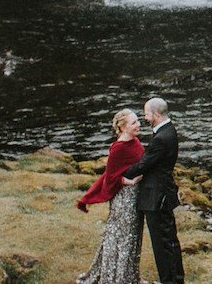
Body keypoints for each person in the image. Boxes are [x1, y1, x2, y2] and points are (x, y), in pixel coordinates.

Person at [75, 109, 145, 284]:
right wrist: (128, 182)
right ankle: (116, 278)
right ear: (122, 128)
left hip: (136, 196)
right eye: (133, 123)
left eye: (137, 121)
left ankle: (130, 276)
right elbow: (111, 177)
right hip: (124, 199)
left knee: (133, 236)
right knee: (121, 236)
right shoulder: (117, 149)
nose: (138, 125)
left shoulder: (135, 142)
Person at [121, 97, 184, 284]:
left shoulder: (161, 138)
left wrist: (120, 172)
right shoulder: (168, 131)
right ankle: (175, 279)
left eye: (147, 114)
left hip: (157, 196)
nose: (145, 118)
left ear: (156, 115)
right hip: (163, 192)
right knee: (169, 241)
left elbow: (143, 165)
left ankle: (170, 281)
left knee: (162, 243)